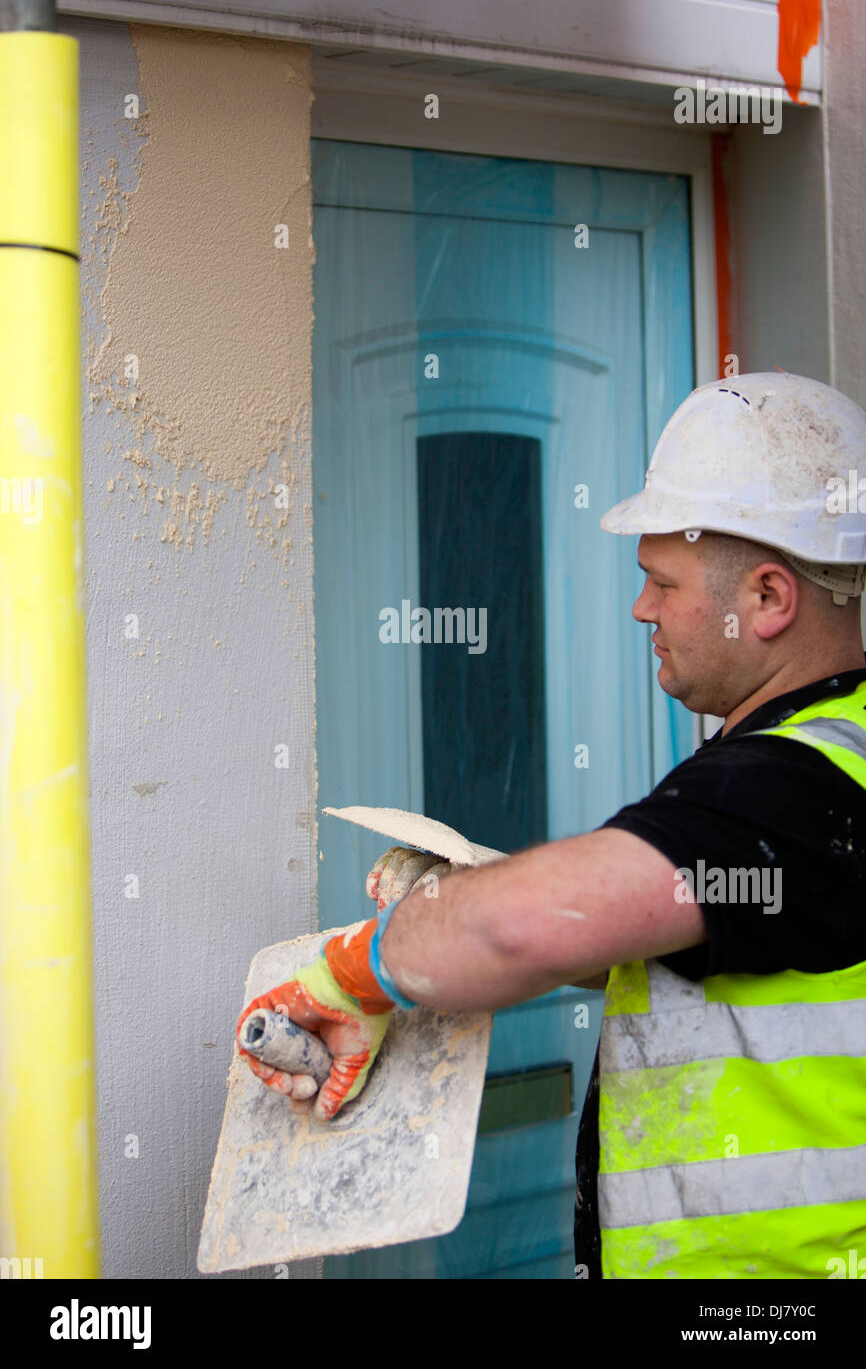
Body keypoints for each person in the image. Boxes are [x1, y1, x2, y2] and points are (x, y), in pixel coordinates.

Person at [237, 371, 866, 1279]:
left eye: (661, 582)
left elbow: (527, 925)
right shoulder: (812, 765)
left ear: (768, 599)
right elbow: (657, 937)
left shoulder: (794, 786)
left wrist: (361, 970)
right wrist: (462, 898)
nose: (643, 608)